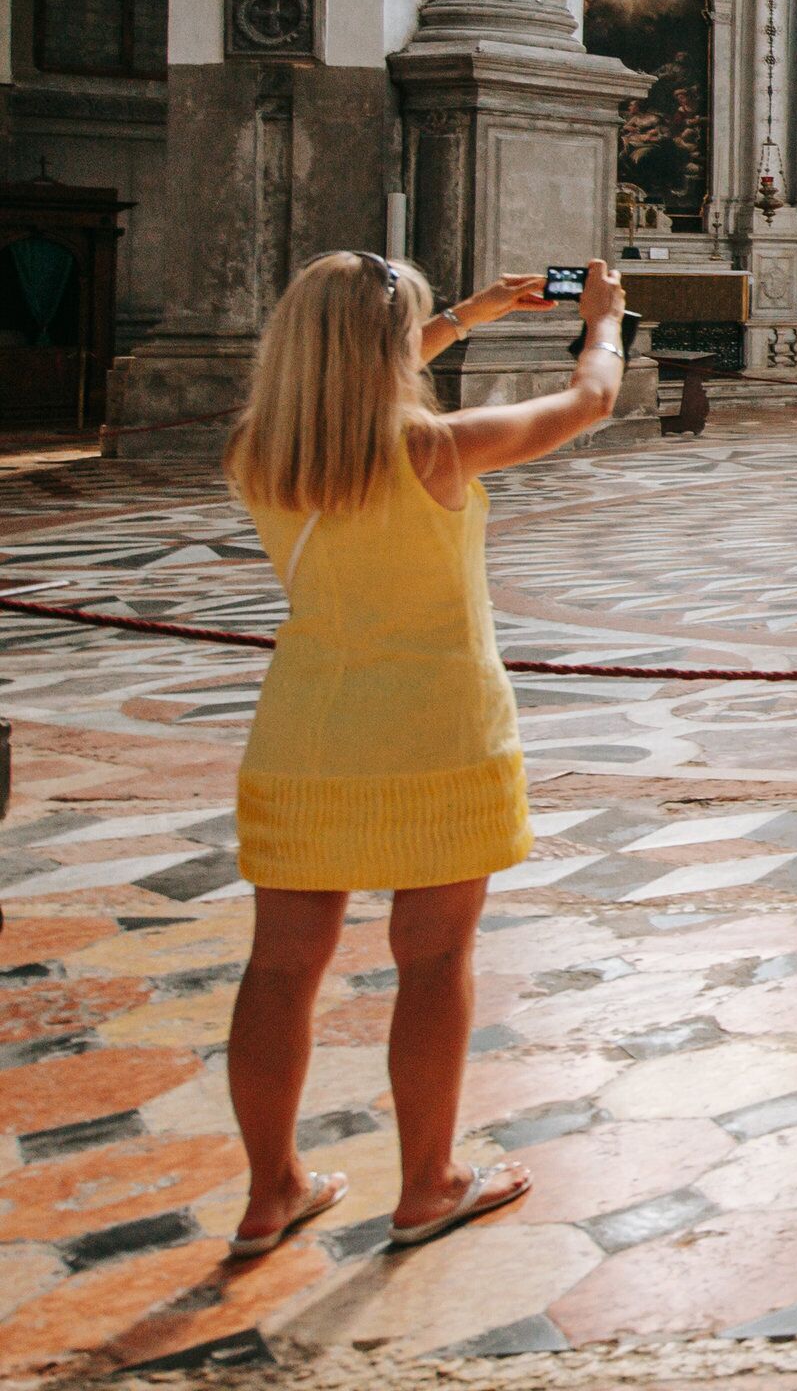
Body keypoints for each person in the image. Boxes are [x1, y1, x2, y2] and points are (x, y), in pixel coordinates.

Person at [220, 251, 627, 1259]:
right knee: (434, 960)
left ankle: (272, 1192)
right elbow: (589, 401)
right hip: (438, 732)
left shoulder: (261, 451)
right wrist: (605, 321)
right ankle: (429, 1182)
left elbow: (350, 374)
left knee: (278, 969)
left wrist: (471, 313)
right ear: (389, 350)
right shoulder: (434, 450)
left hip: (306, 732)